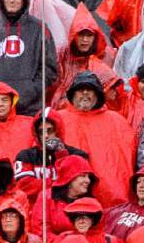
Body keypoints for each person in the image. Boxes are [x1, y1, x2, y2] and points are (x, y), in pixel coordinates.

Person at [55, 73, 136, 207]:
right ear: (72, 94)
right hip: (67, 197)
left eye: (90, 89)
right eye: (81, 89)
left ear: (97, 94)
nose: (85, 93)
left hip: (111, 200)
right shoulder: (58, 119)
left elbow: (129, 158)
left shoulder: (117, 121)